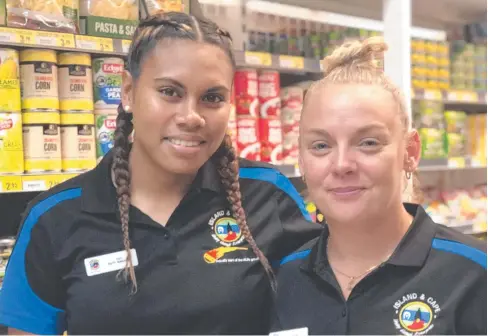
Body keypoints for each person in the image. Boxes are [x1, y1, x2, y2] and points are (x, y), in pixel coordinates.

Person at [0, 12, 321, 335]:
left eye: (212, 97)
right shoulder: (54, 217)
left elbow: (323, 303)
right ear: (128, 92)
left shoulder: (268, 195)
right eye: (170, 92)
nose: (191, 116)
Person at [271, 37, 487, 335]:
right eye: (321, 145)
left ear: (410, 152)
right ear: (302, 160)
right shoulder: (286, 277)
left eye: (368, 143)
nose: (342, 164)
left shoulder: (475, 272)